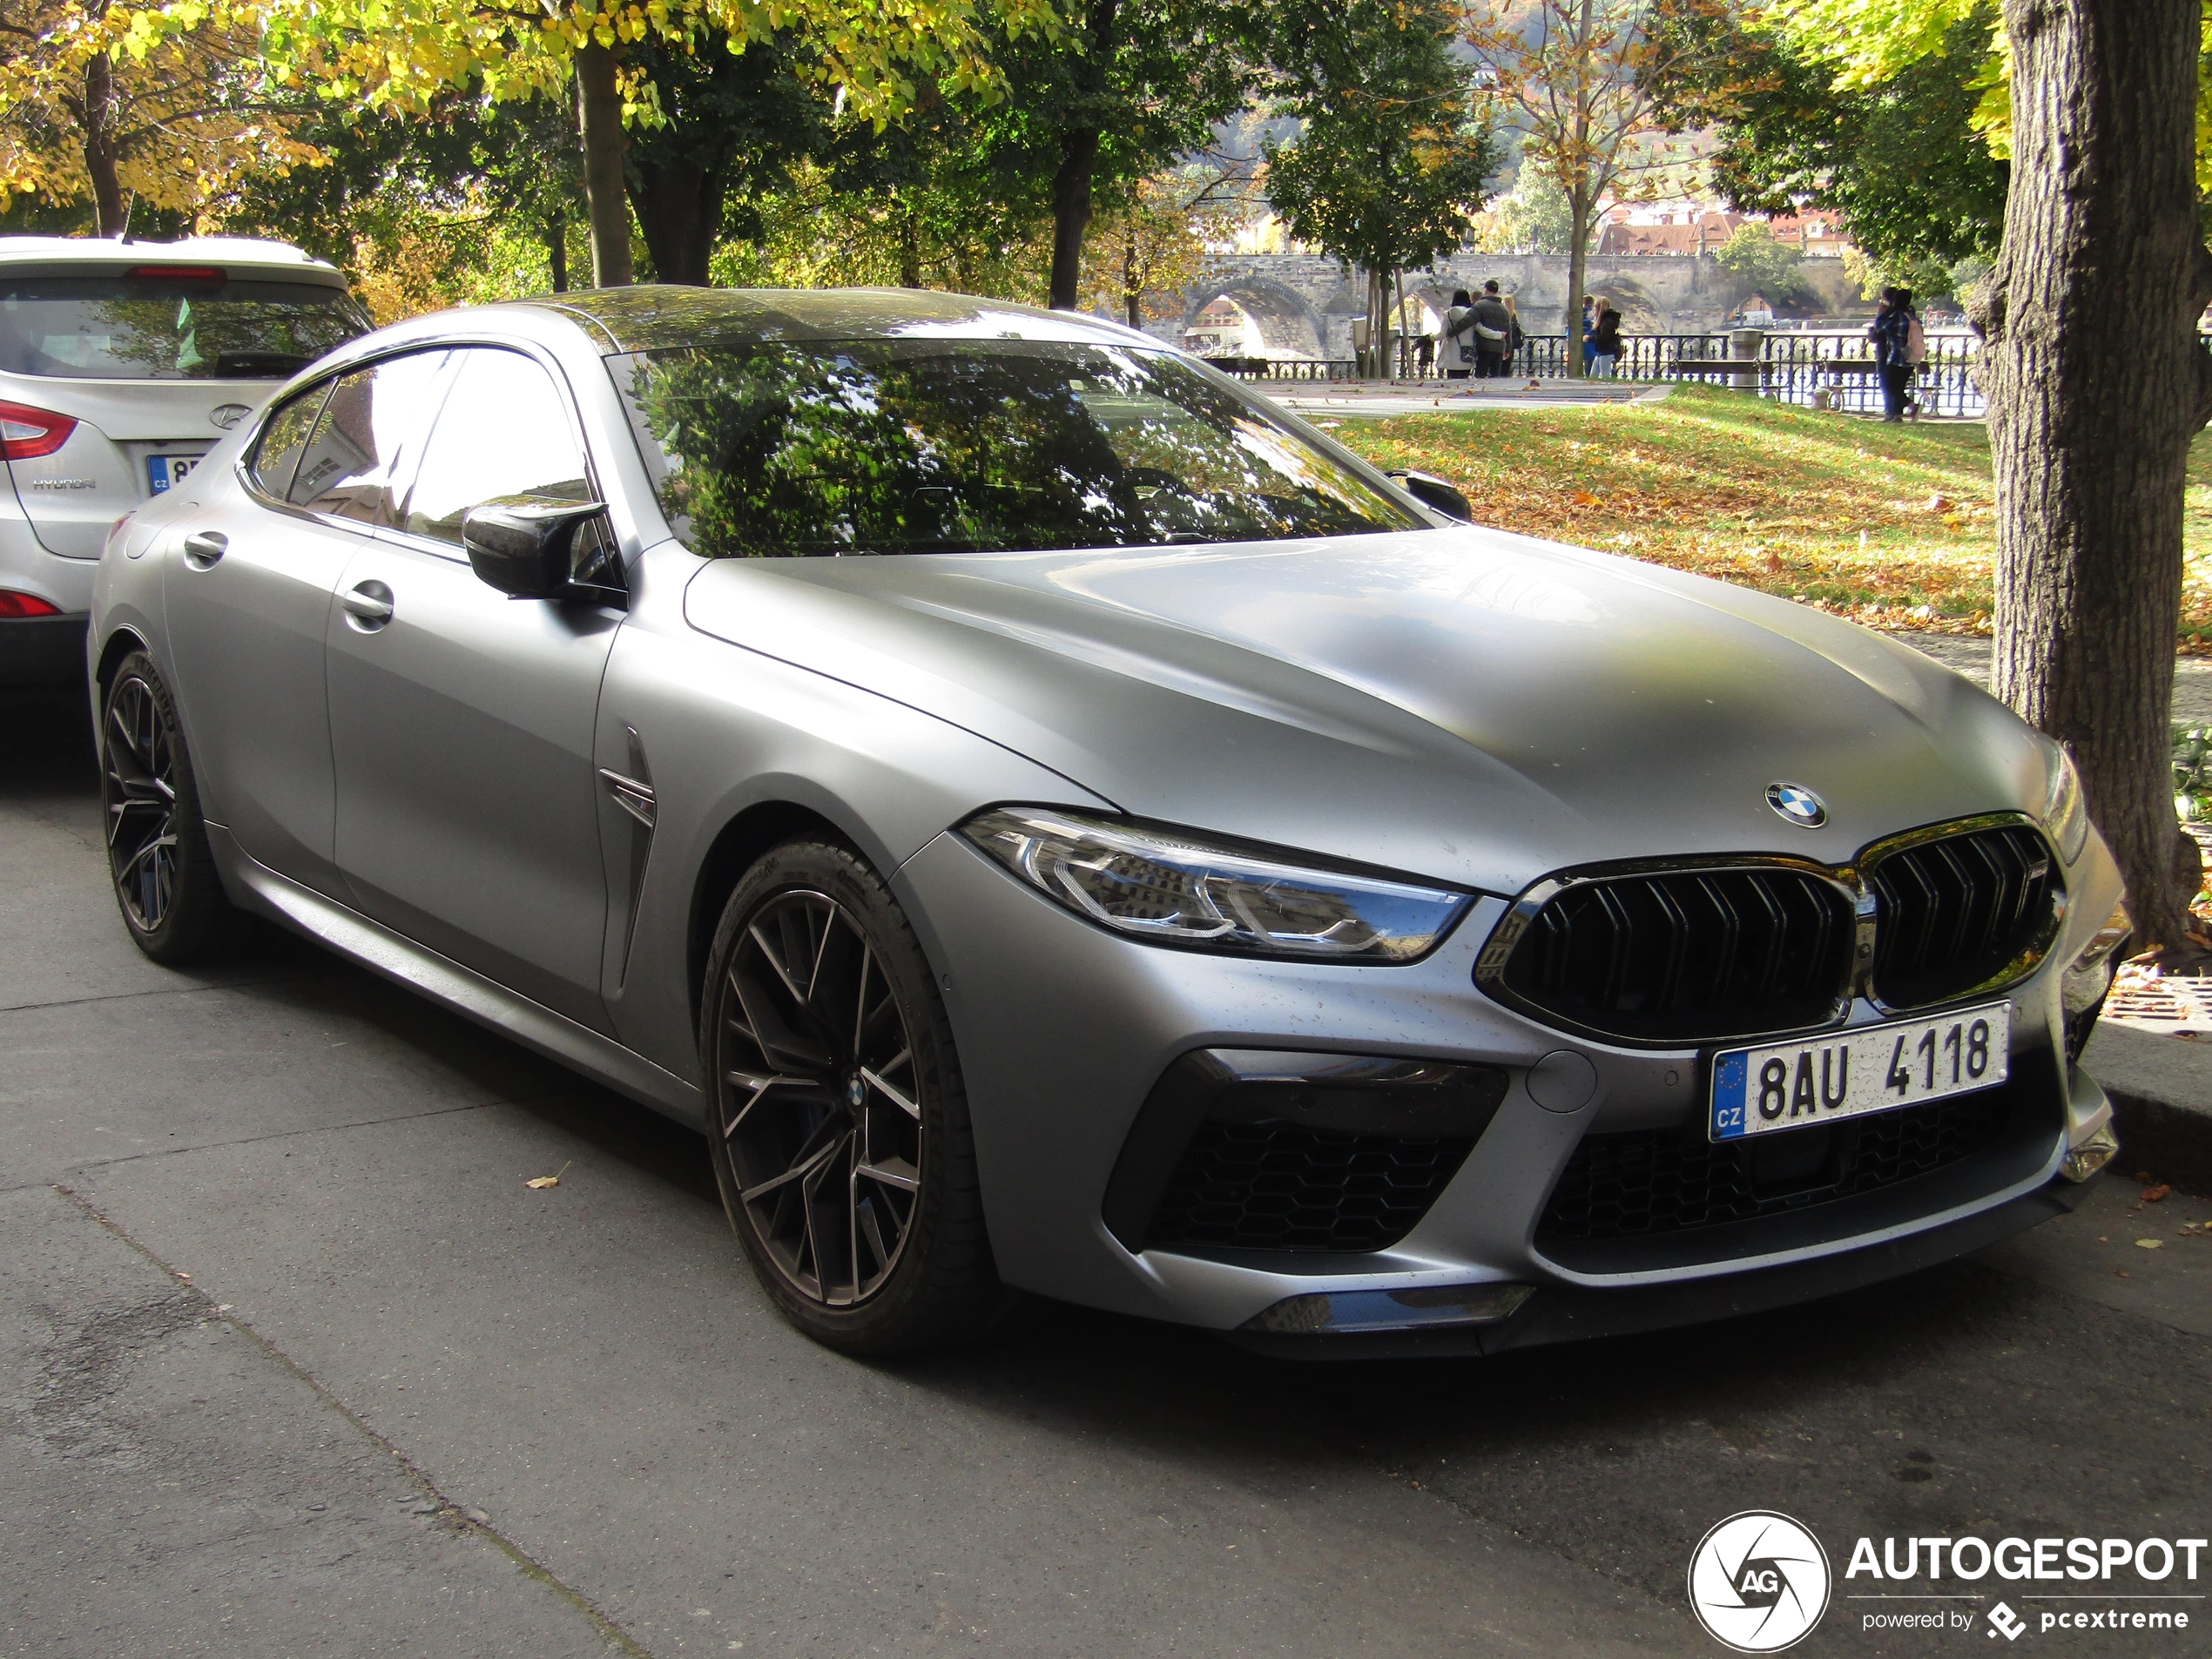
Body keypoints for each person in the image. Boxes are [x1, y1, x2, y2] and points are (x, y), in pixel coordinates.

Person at [1867, 285, 1920, 421]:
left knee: (1889, 387)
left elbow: (1880, 327)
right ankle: (1896, 416)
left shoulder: (1896, 316)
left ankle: (1912, 406)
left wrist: (1883, 313)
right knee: (1899, 387)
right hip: (1912, 355)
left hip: (1897, 356)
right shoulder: (1912, 315)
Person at [1471, 280, 1515, 379]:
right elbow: (1508, 329)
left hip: (1484, 346)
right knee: (1495, 376)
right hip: (1499, 347)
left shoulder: (1480, 305)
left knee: (1480, 375)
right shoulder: (1503, 308)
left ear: (1485, 290)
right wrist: (1507, 349)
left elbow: (1471, 322)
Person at [1440, 288, 1478, 380]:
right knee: (1465, 379)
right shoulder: (1473, 314)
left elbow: (1442, 334)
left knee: (1452, 379)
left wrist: (1431, 337)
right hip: (1468, 352)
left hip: (1451, 353)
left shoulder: (1447, 314)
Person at [1589, 301, 1622, 377]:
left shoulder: (1606, 321)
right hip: (1601, 351)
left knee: (1605, 375)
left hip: (1607, 351)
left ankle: (1609, 388)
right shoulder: (1603, 320)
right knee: (1593, 376)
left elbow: (1603, 337)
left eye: (1595, 307)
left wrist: (1589, 339)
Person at [1581, 295, 1597, 373]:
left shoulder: (1581, 312)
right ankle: (1589, 374)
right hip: (1590, 337)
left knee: (1587, 359)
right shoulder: (1592, 312)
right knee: (1590, 359)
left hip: (1583, 337)